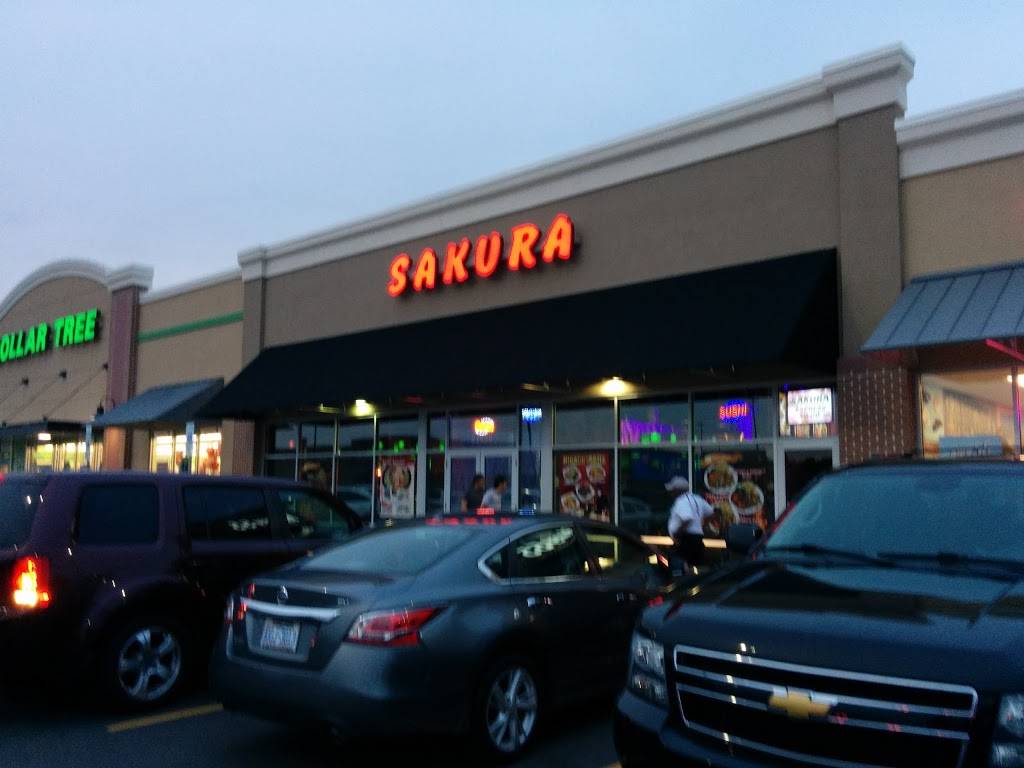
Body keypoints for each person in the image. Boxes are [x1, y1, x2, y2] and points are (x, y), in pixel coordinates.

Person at [665, 476, 714, 570]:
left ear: (678, 490)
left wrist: (677, 533)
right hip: (697, 539)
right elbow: (711, 513)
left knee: (679, 566)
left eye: (672, 490)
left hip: (686, 539)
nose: (670, 492)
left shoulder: (681, 501)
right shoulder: (697, 499)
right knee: (694, 566)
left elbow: (688, 519)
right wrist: (701, 525)